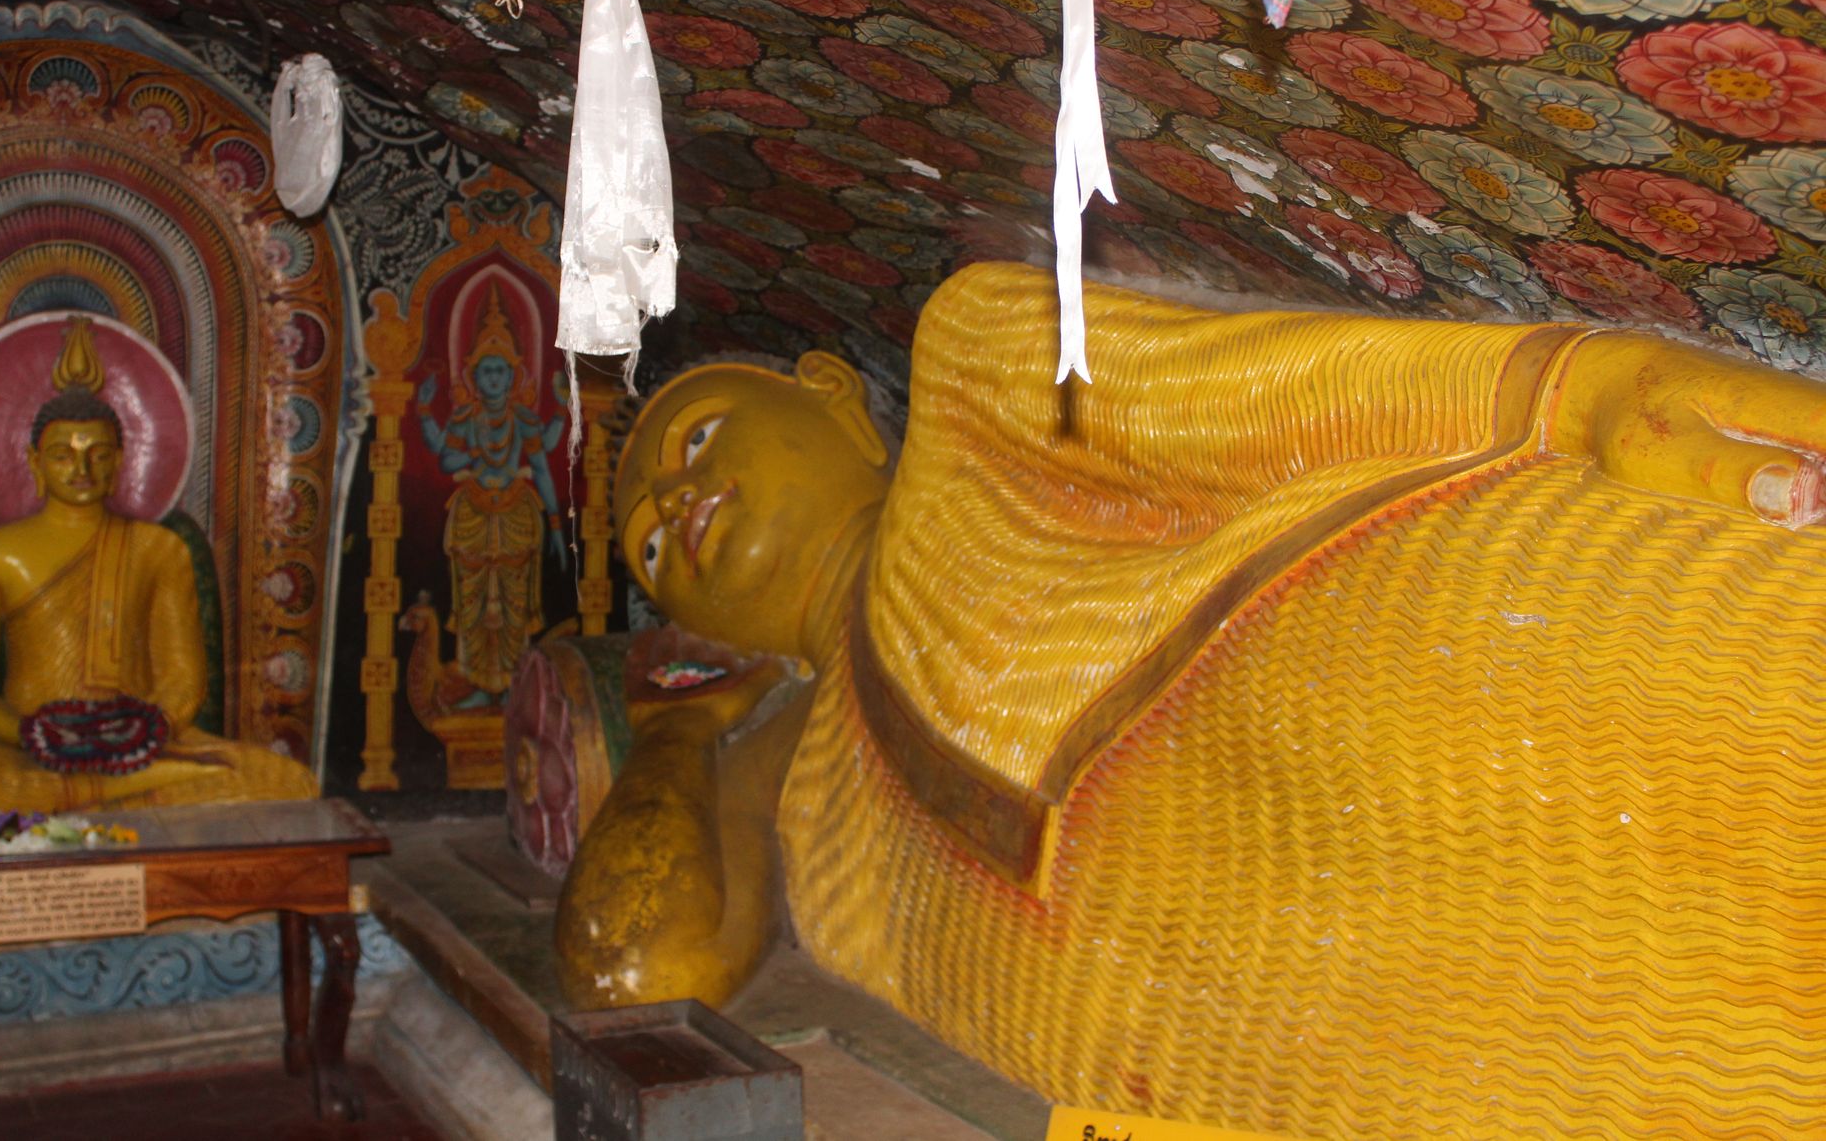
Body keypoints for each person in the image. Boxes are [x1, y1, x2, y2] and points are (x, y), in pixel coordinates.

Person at [565, 261, 1826, 1137]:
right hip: (1367, 1039)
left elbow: (1270, 394)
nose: (679, 507)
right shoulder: (796, 775)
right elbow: (629, 973)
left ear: (830, 393)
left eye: (694, 442)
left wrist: (1582, 392)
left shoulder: (971, 374)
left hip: (1474, 677)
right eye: (652, 549)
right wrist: (679, 728)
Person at [0, 323, 316, 821]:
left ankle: (96, 796)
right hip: (28, 756)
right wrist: (39, 737)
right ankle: (93, 797)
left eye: (97, 454)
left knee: (288, 783)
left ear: (119, 462)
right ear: (34, 463)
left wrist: (137, 735)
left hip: (139, 751)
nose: (82, 468)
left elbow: (182, 679)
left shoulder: (158, 547)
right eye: (62, 455)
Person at [415, 304, 566, 702]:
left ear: (514, 376)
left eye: (501, 371)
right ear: (474, 377)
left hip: (517, 512)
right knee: (473, 605)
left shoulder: (522, 418)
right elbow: (443, 455)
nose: (494, 379)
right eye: (486, 371)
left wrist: (554, 524)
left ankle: (517, 685)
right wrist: (426, 411)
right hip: (473, 514)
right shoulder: (467, 417)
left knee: (515, 604)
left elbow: (543, 466)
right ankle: (479, 685)